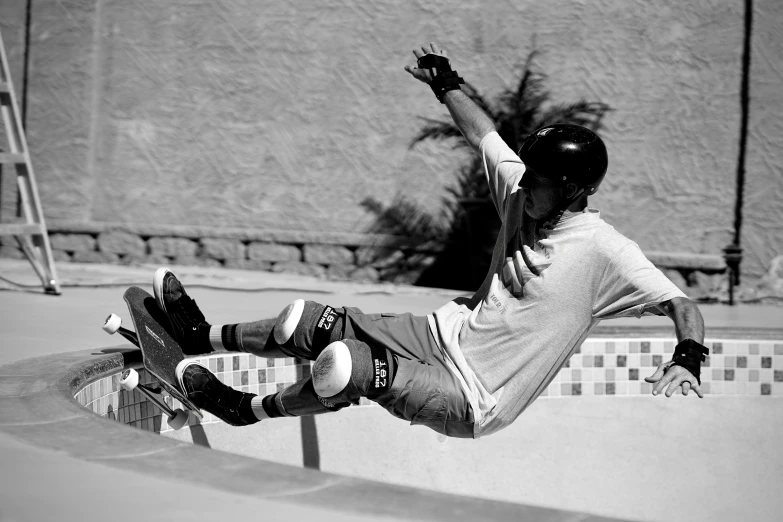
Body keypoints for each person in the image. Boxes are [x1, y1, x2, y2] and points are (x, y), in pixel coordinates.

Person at [159, 42, 708, 439]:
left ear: (570, 191)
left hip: (474, 397)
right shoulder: (520, 189)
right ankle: (198, 334)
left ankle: (242, 410)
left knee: (348, 365)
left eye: (536, 181)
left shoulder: (607, 252)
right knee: (304, 322)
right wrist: (446, 82)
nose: (523, 185)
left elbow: (681, 304)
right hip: (438, 335)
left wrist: (688, 357)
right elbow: (483, 135)